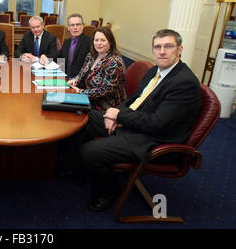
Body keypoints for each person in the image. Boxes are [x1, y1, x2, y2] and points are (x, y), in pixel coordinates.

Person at [68, 29, 201, 212]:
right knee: (81, 116)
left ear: (180, 50)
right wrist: (114, 113)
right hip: (133, 124)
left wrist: (120, 116)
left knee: (90, 151)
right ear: (153, 50)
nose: (162, 51)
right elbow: (133, 100)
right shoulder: (155, 70)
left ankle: (109, 192)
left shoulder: (184, 83)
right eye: (157, 47)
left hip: (151, 140)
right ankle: (78, 169)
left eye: (168, 46)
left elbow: (157, 124)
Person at [67, 26, 126, 111]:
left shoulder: (115, 62)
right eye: (96, 40)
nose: (99, 43)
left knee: (70, 111)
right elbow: (82, 73)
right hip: (89, 99)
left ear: (110, 42)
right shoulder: (91, 56)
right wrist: (75, 80)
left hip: (106, 107)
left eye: (103, 40)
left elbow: (104, 90)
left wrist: (80, 92)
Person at [45, 13, 91, 79]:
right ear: (68, 28)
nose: (75, 27)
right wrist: (45, 57)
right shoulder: (67, 42)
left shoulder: (89, 42)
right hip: (66, 78)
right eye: (72, 25)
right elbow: (58, 56)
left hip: (80, 81)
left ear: (82, 26)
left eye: (78, 24)